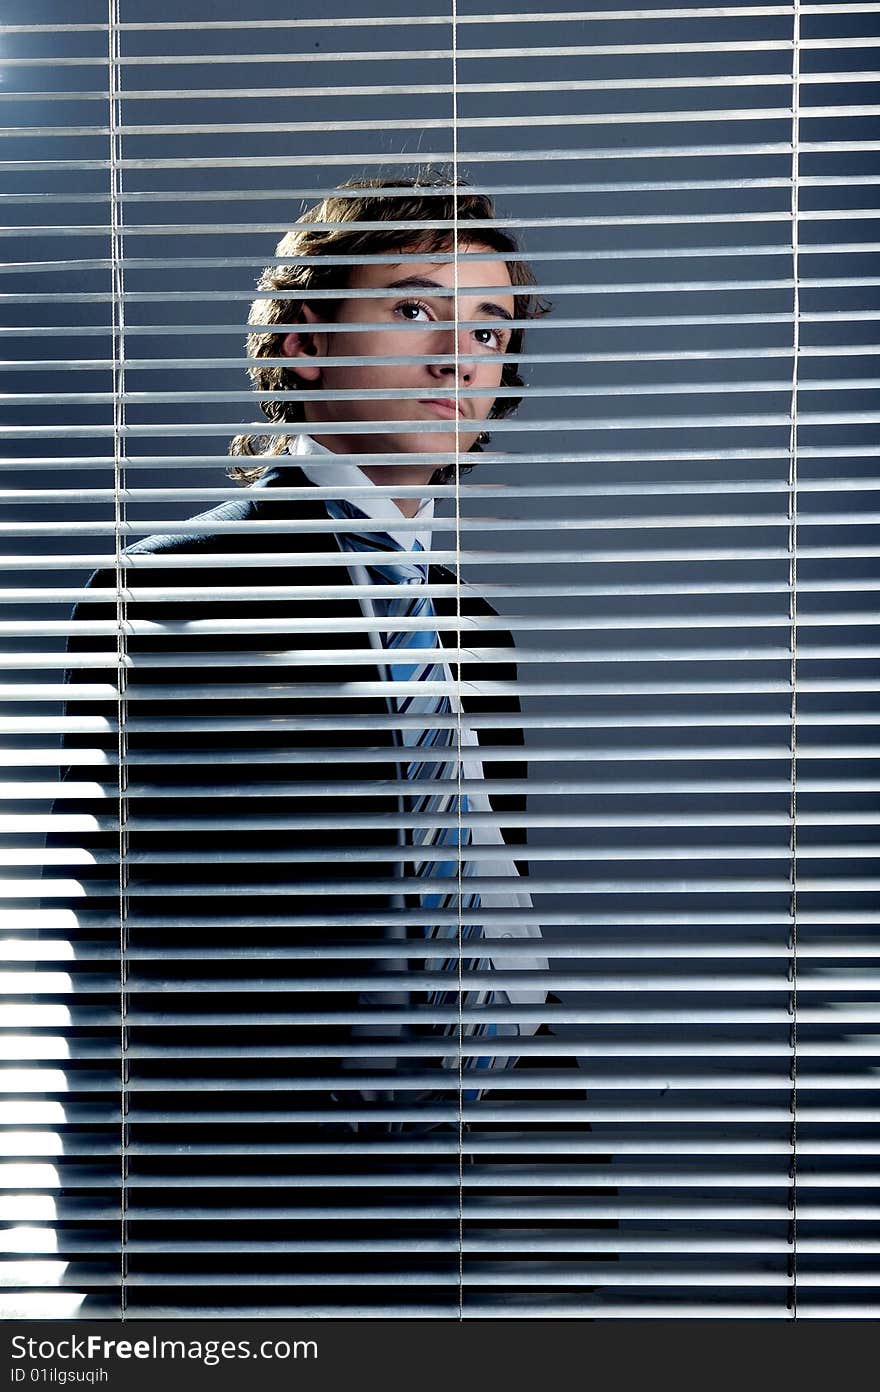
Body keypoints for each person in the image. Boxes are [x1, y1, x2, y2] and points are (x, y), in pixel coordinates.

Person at [51, 173, 568, 1311]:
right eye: (417, 310)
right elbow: (118, 940)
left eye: (489, 328)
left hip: (473, 1204)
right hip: (249, 1220)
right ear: (302, 338)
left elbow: (491, 908)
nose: (459, 360)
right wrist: (107, 1245)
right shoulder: (171, 591)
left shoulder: (472, 632)